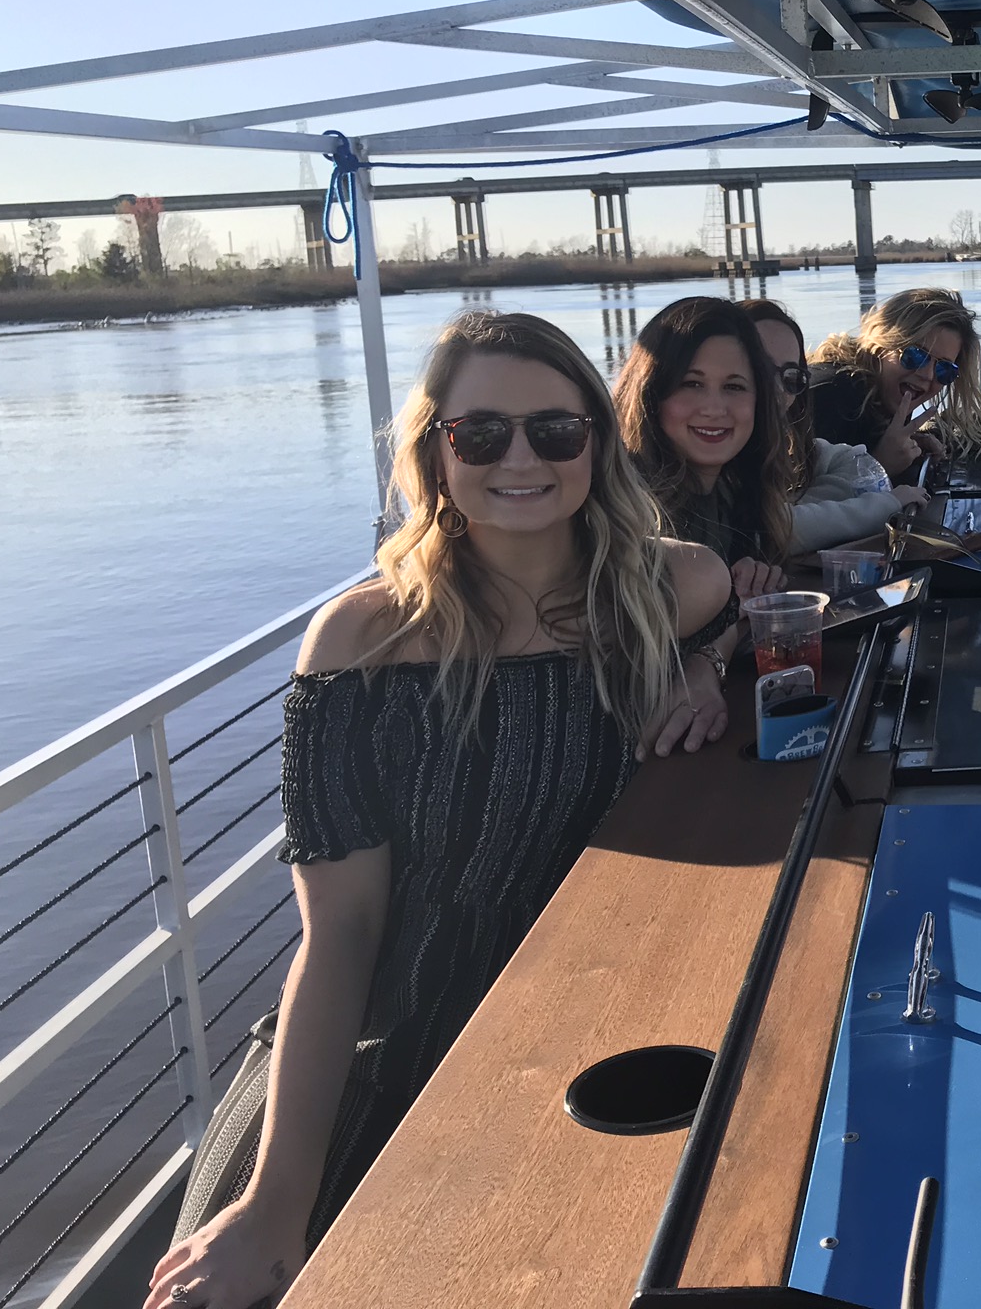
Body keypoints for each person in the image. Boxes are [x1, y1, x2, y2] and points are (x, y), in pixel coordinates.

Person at [146, 311, 733, 1309]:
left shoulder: (670, 588)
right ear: (436, 451)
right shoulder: (366, 642)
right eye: (482, 434)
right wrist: (274, 1203)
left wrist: (704, 665)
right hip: (392, 1031)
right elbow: (342, 934)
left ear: (596, 441)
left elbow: (735, 621)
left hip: (590, 1021)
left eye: (555, 431)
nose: (522, 459)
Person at [614, 296, 792, 604]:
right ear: (650, 393)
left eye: (734, 387)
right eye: (691, 384)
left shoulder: (737, 493)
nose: (714, 409)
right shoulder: (623, 510)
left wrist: (753, 581)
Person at [741, 298, 928, 552]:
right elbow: (770, 530)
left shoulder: (776, 440)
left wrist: (809, 507)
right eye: (759, 370)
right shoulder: (835, 394)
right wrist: (885, 504)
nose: (776, 389)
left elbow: (853, 464)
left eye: (791, 377)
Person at [806, 286, 981, 480]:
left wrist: (906, 445)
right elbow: (796, 499)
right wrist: (880, 466)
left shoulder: (887, 395)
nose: (927, 375)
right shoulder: (831, 395)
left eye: (944, 369)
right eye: (915, 355)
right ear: (881, 345)